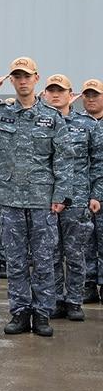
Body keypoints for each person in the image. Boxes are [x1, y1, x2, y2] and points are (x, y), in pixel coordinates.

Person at [0, 56, 75, 338]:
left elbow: (64, 159)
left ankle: (43, 313)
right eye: (17, 76)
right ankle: (20, 312)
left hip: (41, 200)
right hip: (8, 200)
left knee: (44, 259)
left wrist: (61, 195)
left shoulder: (52, 119)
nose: (22, 81)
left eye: (26, 76)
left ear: (36, 78)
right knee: (15, 259)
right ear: (11, 80)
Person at [39, 75, 99, 322]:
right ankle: (54, 301)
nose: (55, 95)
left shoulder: (87, 125)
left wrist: (97, 194)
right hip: (45, 199)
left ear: (70, 94)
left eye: (60, 90)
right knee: (50, 254)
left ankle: (74, 301)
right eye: (51, 90)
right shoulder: (38, 122)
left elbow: (98, 163)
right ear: (44, 93)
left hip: (77, 199)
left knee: (75, 254)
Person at [75, 78, 103, 306]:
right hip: (83, 194)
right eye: (87, 95)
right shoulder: (76, 124)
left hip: (99, 192)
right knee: (86, 243)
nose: (91, 99)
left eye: (95, 94)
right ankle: (90, 284)